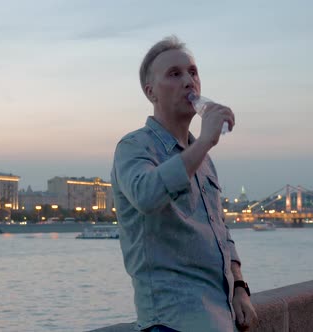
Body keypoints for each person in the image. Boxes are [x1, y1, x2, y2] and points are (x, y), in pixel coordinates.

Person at [110, 36, 257, 332]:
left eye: (193, 72)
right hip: (170, 323)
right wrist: (205, 141)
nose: (189, 81)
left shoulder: (202, 159)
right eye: (175, 74)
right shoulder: (134, 147)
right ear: (151, 92)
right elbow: (146, 195)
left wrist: (239, 285)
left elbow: (220, 230)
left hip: (220, 317)